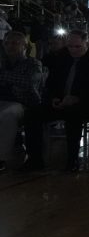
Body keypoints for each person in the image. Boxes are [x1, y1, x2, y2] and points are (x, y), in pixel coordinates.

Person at [25, 31, 89, 171]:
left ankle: (72, 159)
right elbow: (51, 84)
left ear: (86, 43)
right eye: (70, 46)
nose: (73, 50)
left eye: (77, 46)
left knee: (73, 115)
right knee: (32, 114)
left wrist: (77, 98)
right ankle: (34, 159)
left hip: (86, 104)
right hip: (61, 101)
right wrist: (54, 98)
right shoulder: (61, 59)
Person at [0, 31, 43, 170]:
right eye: (7, 43)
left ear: (24, 46)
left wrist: (3, 75)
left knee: (8, 114)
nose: (10, 46)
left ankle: (2, 158)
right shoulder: (2, 63)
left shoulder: (32, 63)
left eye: (14, 43)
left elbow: (28, 82)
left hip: (22, 103)